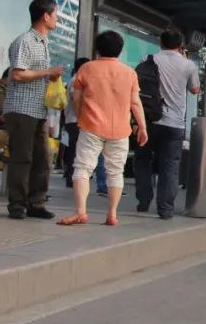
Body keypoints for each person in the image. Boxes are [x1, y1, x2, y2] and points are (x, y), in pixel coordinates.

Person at [59, 30, 147, 226]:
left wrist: (82, 116)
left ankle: (81, 211)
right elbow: (135, 103)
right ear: (120, 50)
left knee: (82, 168)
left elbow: (77, 98)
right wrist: (142, 127)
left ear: (97, 49)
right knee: (115, 172)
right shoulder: (129, 73)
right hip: (120, 130)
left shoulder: (87, 69)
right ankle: (112, 215)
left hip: (91, 126)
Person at [4, 0, 66, 220]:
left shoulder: (44, 42)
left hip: (38, 109)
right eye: (55, 14)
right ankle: (18, 205)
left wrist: (49, 77)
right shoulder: (25, 41)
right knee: (23, 158)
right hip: (21, 109)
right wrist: (47, 73)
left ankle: (36, 203)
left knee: (43, 158)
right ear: (45, 16)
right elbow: (18, 73)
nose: (57, 18)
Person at [135, 27, 200, 220]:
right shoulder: (188, 65)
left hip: (149, 121)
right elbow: (195, 89)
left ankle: (144, 200)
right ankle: (165, 208)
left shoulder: (148, 60)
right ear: (181, 45)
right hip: (175, 124)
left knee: (142, 160)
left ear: (160, 43)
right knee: (170, 166)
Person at [62, 58, 90, 187]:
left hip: (75, 120)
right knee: (75, 150)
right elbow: (75, 101)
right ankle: (72, 177)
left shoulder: (78, 80)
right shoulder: (75, 81)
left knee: (75, 149)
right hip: (75, 121)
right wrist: (81, 117)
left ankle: (72, 176)